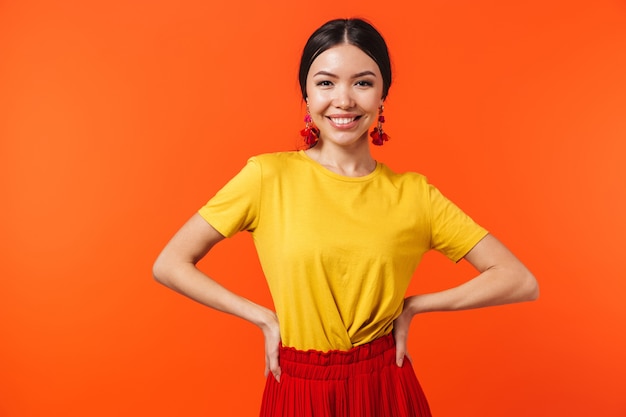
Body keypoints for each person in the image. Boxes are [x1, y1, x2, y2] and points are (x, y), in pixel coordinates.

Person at [152, 18, 539, 417]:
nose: (344, 100)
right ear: (306, 93)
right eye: (325, 83)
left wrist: (416, 305)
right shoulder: (267, 177)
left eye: (363, 82)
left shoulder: (413, 194)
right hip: (299, 385)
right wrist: (263, 318)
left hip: (385, 385)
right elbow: (170, 263)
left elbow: (518, 280)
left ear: (382, 95)